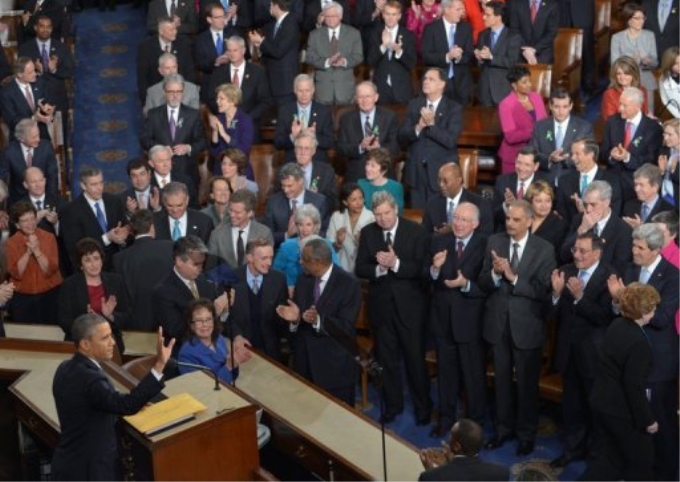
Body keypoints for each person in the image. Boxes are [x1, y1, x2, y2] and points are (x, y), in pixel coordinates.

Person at [51, 316, 174, 481]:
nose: (112, 342)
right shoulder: (91, 378)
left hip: (69, 463)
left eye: (111, 335)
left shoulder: (65, 368)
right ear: (85, 344)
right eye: (105, 338)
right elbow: (126, 405)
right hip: (91, 470)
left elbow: (92, 404)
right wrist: (159, 365)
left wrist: (118, 407)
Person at [480, 200, 555, 457]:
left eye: (515, 220)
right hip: (498, 324)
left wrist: (513, 278)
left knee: (526, 385)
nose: (509, 223)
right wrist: (495, 275)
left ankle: (526, 435)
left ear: (530, 221)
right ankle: (503, 431)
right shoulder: (494, 241)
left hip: (527, 326)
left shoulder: (544, 250)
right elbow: (482, 280)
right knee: (501, 382)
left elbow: (544, 292)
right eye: (507, 218)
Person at [607, 224, 680, 481]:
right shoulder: (629, 268)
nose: (634, 251)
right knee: (634, 418)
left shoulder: (673, 276)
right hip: (630, 358)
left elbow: (660, 318)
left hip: (659, 363)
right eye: (633, 245)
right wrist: (619, 300)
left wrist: (623, 296)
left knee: (662, 422)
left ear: (656, 250)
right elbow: (615, 310)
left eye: (640, 247)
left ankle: (666, 473)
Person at [355, 192, 432, 424]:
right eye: (378, 214)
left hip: (411, 309)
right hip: (382, 309)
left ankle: (423, 408)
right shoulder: (369, 233)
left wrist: (395, 264)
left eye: (387, 213)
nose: (383, 219)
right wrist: (379, 269)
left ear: (395, 210)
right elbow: (360, 268)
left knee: (414, 361)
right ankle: (392, 406)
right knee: (387, 361)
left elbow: (422, 270)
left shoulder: (416, 231)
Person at [549, 232, 615, 469]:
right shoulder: (565, 271)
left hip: (594, 354)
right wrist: (556, 294)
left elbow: (604, 316)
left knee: (596, 408)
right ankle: (573, 450)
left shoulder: (609, 276)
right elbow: (550, 314)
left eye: (582, 251)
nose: (576, 254)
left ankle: (598, 456)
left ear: (596, 253)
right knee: (572, 406)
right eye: (575, 250)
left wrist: (579, 297)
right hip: (568, 351)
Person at [581, 283, 660, 481]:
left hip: (602, 403)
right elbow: (634, 387)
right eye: (653, 307)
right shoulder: (639, 343)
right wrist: (647, 420)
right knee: (642, 461)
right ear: (643, 312)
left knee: (611, 459)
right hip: (620, 412)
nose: (655, 311)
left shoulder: (617, 325)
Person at [427, 202, 488, 437]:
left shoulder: (485, 244)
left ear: (476, 223)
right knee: (446, 374)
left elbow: (487, 285)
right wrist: (434, 268)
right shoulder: (439, 241)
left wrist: (467, 284)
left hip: (470, 322)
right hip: (443, 321)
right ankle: (445, 419)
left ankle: (474, 425)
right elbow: (427, 277)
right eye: (456, 218)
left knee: (473, 377)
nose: (459, 223)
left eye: (464, 220)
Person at [276, 238, 362, 406]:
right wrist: (294, 320)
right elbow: (298, 315)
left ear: (318, 262)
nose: (300, 262)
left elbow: (345, 326)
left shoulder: (348, 284)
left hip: (334, 367)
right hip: (305, 363)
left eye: (304, 259)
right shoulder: (304, 279)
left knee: (337, 418)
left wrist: (318, 321)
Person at [399, 67, 463, 207]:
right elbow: (402, 136)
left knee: (437, 219)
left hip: (440, 174)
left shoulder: (453, 108)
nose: (426, 82)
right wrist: (418, 127)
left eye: (431, 79)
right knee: (417, 220)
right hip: (416, 173)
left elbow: (450, 141)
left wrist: (432, 125)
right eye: (425, 78)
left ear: (442, 84)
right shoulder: (414, 105)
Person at [152, 235, 229, 345]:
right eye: (196, 264)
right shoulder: (163, 292)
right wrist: (214, 311)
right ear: (179, 261)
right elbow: (177, 332)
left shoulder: (206, 282)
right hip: (184, 355)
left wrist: (225, 308)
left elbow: (218, 325)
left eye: (202, 263)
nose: (201, 268)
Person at [58, 238, 129, 352]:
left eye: (96, 258)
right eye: (87, 260)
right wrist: (87, 323)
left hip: (110, 344)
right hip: (81, 345)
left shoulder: (116, 281)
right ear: (80, 264)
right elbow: (64, 321)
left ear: (102, 260)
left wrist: (109, 316)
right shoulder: (69, 285)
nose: (93, 264)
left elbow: (126, 315)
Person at [112, 209, 174, 331]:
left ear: (131, 230)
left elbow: (120, 294)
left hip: (136, 324)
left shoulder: (120, 258)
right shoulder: (170, 247)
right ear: (152, 227)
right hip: (169, 319)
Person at [141, 75, 207, 186]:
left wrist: (188, 148)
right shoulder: (153, 114)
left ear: (183, 92)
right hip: (161, 173)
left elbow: (202, 141)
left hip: (187, 170)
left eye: (179, 92)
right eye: (171, 92)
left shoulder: (193, 114)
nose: (175, 96)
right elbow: (144, 139)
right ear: (164, 93)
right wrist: (161, 149)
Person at [601, 86, 664, 202]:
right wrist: (611, 155)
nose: (620, 109)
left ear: (638, 106)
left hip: (635, 185)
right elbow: (603, 152)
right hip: (611, 183)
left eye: (625, 105)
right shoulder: (612, 122)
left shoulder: (652, 128)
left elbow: (651, 161)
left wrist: (627, 158)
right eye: (620, 104)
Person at [60, 166, 129, 271]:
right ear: (83, 186)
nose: (99, 188)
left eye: (101, 182)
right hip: (91, 269)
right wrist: (107, 238)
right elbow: (75, 247)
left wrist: (124, 233)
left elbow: (124, 226)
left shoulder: (114, 201)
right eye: (94, 184)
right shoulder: (71, 211)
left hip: (118, 265)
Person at [229, 239, 288, 360]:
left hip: (271, 351)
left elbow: (282, 320)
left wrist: (293, 320)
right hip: (241, 348)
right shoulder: (231, 278)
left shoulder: (279, 280)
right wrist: (236, 336)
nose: (269, 262)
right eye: (264, 258)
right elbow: (225, 317)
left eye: (271, 257)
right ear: (250, 257)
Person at [6, 201, 62, 324]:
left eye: (32, 219)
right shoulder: (11, 242)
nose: (30, 223)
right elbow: (16, 273)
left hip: (50, 294)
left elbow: (51, 270)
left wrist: (36, 251)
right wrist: (28, 252)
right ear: (17, 224)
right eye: (25, 220)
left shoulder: (49, 237)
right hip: (22, 297)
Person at [559, 181, 632, 274]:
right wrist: (582, 229)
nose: (588, 209)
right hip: (576, 275)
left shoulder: (623, 230)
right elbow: (564, 255)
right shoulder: (579, 219)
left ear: (606, 202)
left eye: (593, 204)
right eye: (585, 204)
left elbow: (618, 269)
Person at [336, 81, 400, 182]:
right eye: (360, 97)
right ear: (356, 99)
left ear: (376, 97)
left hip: (382, 174)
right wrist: (360, 147)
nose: (364, 100)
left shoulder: (389, 117)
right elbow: (340, 148)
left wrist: (380, 148)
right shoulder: (346, 119)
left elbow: (396, 147)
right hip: (356, 175)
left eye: (368, 96)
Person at [530, 88, 594, 186]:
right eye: (557, 107)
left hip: (572, 182)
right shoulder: (540, 127)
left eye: (565, 107)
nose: (561, 111)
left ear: (571, 106)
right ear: (550, 106)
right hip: (544, 184)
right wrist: (550, 159)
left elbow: (589, 156)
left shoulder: (584, 127)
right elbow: (533, 155)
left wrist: (567, 159)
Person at [207, 35, 272, 132]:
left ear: (243, 50)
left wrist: (246, 119)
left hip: (250, 126)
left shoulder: (258, 72)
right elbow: (211, 99)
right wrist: (227, 114)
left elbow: (265, 101)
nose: (232, 54)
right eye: (229, 50)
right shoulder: (218, 73)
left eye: (235, 50)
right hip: (225, 127)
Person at [178, 298, 251, 383]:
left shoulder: (219, 338)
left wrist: (236, 360)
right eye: (199, 321)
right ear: (192, 325)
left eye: (208, 319)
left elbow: (232, 375)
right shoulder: (186, 354)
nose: (205, 324)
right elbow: (201, 388)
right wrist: (229, 366)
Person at [304, 1, 363, 105]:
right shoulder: (314, 35)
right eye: (327, 16)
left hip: (345, 90)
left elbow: (358, 56)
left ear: (340, 16)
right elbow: (309, 57)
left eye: (334, 16)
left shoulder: (353, 33)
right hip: (323, 90)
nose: (330, 19)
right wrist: (327, 62)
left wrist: (344, 61)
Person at [555, 137, 622, 226]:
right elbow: (561, 213)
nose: (573, 158)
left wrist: (586, 213)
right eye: (572, 154)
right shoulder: (564, 180)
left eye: (577, 154)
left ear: (591, 155)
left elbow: (614, 213)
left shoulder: (611, 180)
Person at [17, 15, 74, 116]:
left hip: (58, 97)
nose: (45, 30)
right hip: (35, 97)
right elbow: (20, 74)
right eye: (42, 26)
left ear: (52, 29)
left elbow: (69, 71)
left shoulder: (61, 47)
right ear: (35, 28)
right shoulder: (25, 48)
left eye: (48, 27)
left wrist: (54, 70)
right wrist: (37, 71)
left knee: (61, 129)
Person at [421, 0, 474, 106]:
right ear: (446, 10)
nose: (462, 12)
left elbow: (469, 55)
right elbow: (426, 56)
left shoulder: (466, 28)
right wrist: (447, 56)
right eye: (458, 9)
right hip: (438, 83)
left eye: (462, 9)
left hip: (461, 85)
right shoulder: (431, 29)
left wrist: (459, 57)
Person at [419, 419, 509, 481]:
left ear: (457, 446)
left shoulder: (430, 477)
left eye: (450, 435)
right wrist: (451, 464)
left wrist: (430, 471)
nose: (447, 439)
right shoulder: (501, 473)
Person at [273, 203, 338, 291]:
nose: (304, 229)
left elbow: (336, 270)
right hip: (291, 291)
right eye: (300, 225)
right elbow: (275, 274)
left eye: (308, 225)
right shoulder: (286, 247)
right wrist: (287, 287)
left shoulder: (326, 244)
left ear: (315, 226)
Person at [273, 74, 335, 164]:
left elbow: (330, 142)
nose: (304, 94)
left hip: (317, 162)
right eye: (300, 91)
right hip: (292, 162)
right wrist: (293, 136)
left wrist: (314, 136)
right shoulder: (285, 111)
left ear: (313, 90)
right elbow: (277, 143)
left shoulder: (323, 111)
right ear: (295, 91)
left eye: (307, 90)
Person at [247, 0, 300, 106]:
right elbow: (269, 48)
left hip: (285, 83)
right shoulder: (271, 24)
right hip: (271, 81)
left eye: (271, 4)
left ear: (276, 6)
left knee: (286, 117)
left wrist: (261, 42)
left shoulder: (291, 22)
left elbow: (278, 51)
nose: (269, 7)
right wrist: (259, 45)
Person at [263, 163, 329, 246]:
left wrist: (308, 236)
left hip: (312, 251)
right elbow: (266, 235)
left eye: (290, 186)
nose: (286, 190)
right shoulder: (273, 202)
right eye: (283, 186)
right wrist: (286, 235)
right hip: (283, 251)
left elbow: (325, 232)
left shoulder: (319, 201)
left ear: (301, 181)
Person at [497, 65, 548, 174]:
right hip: (514, 157)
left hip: (536, 155)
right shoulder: (506, 104)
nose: (529, 84)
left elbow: (545, 123)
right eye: (524, 82)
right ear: (514, 85)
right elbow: (510, 136)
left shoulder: (537, 97)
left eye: (529, 80)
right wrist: (535, 131)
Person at [422, 162, 493, 237]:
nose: (441, 185)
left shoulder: (480, 204)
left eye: (445, 181)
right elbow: (424, 235)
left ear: (458, 181)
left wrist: (455, 229)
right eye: (439, 180)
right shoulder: (432, 204)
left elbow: (485, 236)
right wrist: (438, 235)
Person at [366, 1, 417, 105]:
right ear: (383, 15)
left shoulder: (408, 35)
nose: (390, 18)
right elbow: (370, 61)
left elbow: (412, 63)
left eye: (394, 14)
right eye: (388, 14)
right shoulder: (374, 33)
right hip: (380, 88)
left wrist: (399, 51)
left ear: (399, 16)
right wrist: (383, 46)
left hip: (402, 89)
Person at [610, 3, 658, 112]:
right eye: (637, 18)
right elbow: (614, 64)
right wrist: (630, 62)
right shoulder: (617, 38)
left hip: (645, 77)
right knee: (623, 112)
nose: (642, 21)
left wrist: (646, 60)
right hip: (623, 78)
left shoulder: (649, 35)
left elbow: (655, 63)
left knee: (648, 114)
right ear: (628, 19)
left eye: (643, 18)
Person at [208, 188, 273, 268]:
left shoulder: (264, 233)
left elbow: (266, 264)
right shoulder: (217, 234)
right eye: (231, 210)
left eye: (237, 212)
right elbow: (211, 267)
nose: (232, 215)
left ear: (250, 213)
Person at [136, 17, 195, 105]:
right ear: (161, 31)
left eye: (175, 28)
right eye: (171, 30)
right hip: (156, 98)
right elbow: (142, 79)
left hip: (181, 96)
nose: (175, 32)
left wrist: (187, 96)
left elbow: (189, 72)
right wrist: (147, 102)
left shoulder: (184, 44)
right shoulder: (146, 48)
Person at [0, 117, 58, 206]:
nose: (38, 139)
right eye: (34, 137)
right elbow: (2, 179)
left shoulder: (46, 147)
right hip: (18, 201)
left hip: (43, 198)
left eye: (38, 135)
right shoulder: (9, 152)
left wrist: (51, 200)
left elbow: (52, 176)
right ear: (22, 139)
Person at [473, 1, 521, 107]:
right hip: (484, 91)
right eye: (484, 14)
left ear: (498, 17)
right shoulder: (482, 35)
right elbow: (480, 64)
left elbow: (512, 62)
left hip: (502, 90)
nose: (484, 17)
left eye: (488, 15)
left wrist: (491, 57)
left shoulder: (513, 37)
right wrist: (479, 58)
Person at [491, 146, 547, 230]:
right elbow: (494, 214)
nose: (521, 168)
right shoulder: (502, 181)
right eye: (519, 163)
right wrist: (506, 206)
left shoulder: (545, 183)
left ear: (536, 166)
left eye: (527, 165)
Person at [276, 133, 337, 209]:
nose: (302, 152)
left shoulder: (326, 172)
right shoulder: (284, 170)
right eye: (299, 148)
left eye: (307, 148)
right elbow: (278, 200)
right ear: (295, 150)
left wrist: (316, 198)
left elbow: (333, 201)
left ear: (313, 151)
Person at [0, 57, 55, 141]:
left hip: (42, 138)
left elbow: (47, 102)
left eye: (34, 70)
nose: (35, 74)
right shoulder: (6, 93)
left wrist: (47, 111)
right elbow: (12, 121)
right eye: (30, 72)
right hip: (21, 140)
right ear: (19, 74)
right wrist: (33, 118)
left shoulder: (40, 83)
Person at [327, 182, 375, 273]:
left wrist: (362, 242)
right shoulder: (337, 217)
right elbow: (328, 248)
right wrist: (338, 243)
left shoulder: (372, 218)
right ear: (345, 202)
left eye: (361, 198)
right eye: (354, 199)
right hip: (341, 267)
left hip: (363, 268)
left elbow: (375, 250)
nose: (359, 203)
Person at [208, 84, 255, 177]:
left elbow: (243, 150)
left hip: (240, 171)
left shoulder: (245, 120)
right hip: (220, 171)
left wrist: (224, 134)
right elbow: (215, 152)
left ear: (232, 101)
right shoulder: (219, 118)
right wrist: (214, 131)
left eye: (221, 99)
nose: (217, 102)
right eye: (217, 98)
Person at [192, 4, 235, 103]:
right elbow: (199, 63)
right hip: (210, 85)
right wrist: (215, 62)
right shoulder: (200, 39)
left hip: (231, 84)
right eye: (217, 17)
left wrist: (232, 57)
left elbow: (244, 56)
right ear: (209, 19)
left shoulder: (233, 35)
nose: (222, 20)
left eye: (223, 16)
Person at [622, 164, 675, 230]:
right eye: (636, 184)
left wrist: (641, 228)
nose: (636, 189)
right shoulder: (629, 206)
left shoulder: (668, 211)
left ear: (655, 187)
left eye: (641, 185)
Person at [507, 0, 559, 64]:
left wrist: (535, 49)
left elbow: (551, 33)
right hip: (521, 50)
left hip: (543, 51)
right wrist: (525, 49)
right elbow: (514, 30)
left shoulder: (552, 5)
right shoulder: (516, 3)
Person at [600, 56, 650, 121]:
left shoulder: (642, 90)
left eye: (626, 73)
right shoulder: (610, 94)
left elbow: (645, 114)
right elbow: (610, 122)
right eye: (619, 74)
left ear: (634, 74)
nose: (622, 77)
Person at [525, 180, 567, 251]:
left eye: (548, 201)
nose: (544, 205)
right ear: (530, 202)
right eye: (539, 201)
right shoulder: (523, 219)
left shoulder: (560, 225)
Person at [658, 118, 679, 206]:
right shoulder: (664, 151)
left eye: (670, 134)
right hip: (664, 200)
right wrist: (662, 171)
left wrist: (673, 171)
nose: (665, 138)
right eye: (665, 134)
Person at [658, 46, 680, 119]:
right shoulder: (663, 79)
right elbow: (665, 101)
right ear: (669, 64)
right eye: (676, 63)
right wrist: (678, 117)